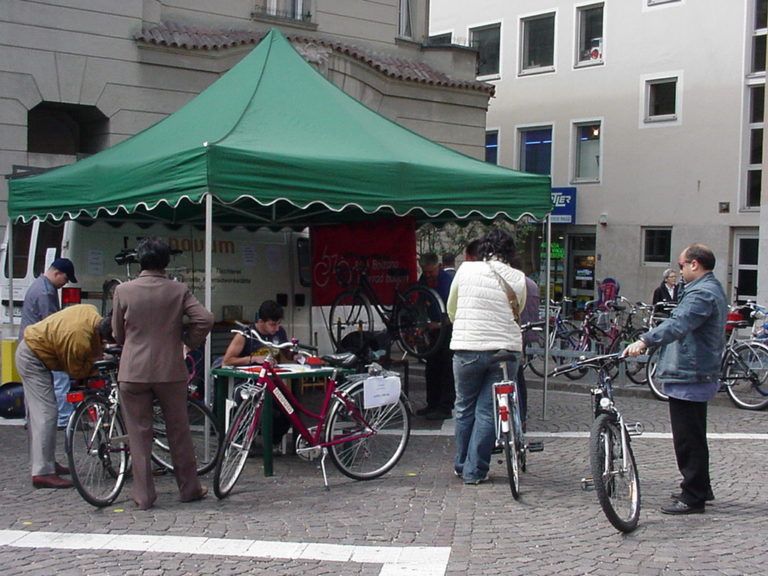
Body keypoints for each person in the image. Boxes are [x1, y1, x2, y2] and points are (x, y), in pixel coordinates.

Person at [623, 243, 726, 515]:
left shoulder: (701, 293)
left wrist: (645, 340)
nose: (678, 271)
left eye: (681, 265)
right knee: (693, 436)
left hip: (690, 374)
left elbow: (678, 324)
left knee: (687, 439)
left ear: (695, 264)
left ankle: (693, 496)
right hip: (692, 372)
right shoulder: (704, 289)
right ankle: (700, 487)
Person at [112, 237, 213, 510]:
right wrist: (187, 342)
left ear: (140, 260)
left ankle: (144, 496)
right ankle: (189, 489)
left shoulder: (124, 290)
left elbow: (117, 333)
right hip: (170, 369)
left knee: (139, 433)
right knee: (178, 431)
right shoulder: (178, 290)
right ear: (166, 261)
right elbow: (204, 319)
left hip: (133, 370)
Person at [446, 229, 526, 485]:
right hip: (504, 349)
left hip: (467, 347)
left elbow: (451, 308)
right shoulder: (519, 278)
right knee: (488, 412)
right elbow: (518, 310)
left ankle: (461, 464)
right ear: (510, 252)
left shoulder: (466, 269)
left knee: (463, 407)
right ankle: (475, 470)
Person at [15, 303, 113, 489]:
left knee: (43, 414)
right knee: (46, 414)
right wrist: (97, 364)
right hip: (32, 357)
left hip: (34, 350)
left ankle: (47, 462)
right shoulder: (78, 338)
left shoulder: (90, 311)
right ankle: (42, 472)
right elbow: (76, 371)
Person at [221, 299, 292, 446]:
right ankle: (244, 441)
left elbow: (287, 353)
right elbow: (227, 361)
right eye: (272, 324)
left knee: (290, 407)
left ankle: (273, 441)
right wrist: (253, 359)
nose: (276, 328)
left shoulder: (280, 332)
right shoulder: (245, 334)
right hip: (247, 383)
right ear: (261, 321)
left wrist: (296, 356)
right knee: (254, 404)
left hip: (271, 383)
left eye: (279, 323)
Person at [18, 257, 78, 430]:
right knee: (60, 378)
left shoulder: (38, 284)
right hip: (39, 346)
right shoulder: (46, 292)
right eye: (65, 279)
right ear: (57, 273)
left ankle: (31, 420)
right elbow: (52, 324)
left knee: (34, 387)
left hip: (27, 344)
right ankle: (64, 419)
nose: (65, 284)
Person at [416, 252, 454, 421]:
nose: (428, 275)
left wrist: (439, 324)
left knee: (446, 368)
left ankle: (445, 407)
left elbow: (453, 311)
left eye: (431, 272)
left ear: (438, 267)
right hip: (432, 330)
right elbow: (420, 302)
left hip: (447, 329)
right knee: (431, 367)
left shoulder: (447, 282)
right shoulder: (423, 280)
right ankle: (432, 404)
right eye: (425, 272)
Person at [511, 256, 539, 425]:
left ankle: (519, 415)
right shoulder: (531, 283)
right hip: (527, 333)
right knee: (519, 376)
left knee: (515, 377)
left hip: (516, 334)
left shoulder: (517, 284)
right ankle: (522, 414)